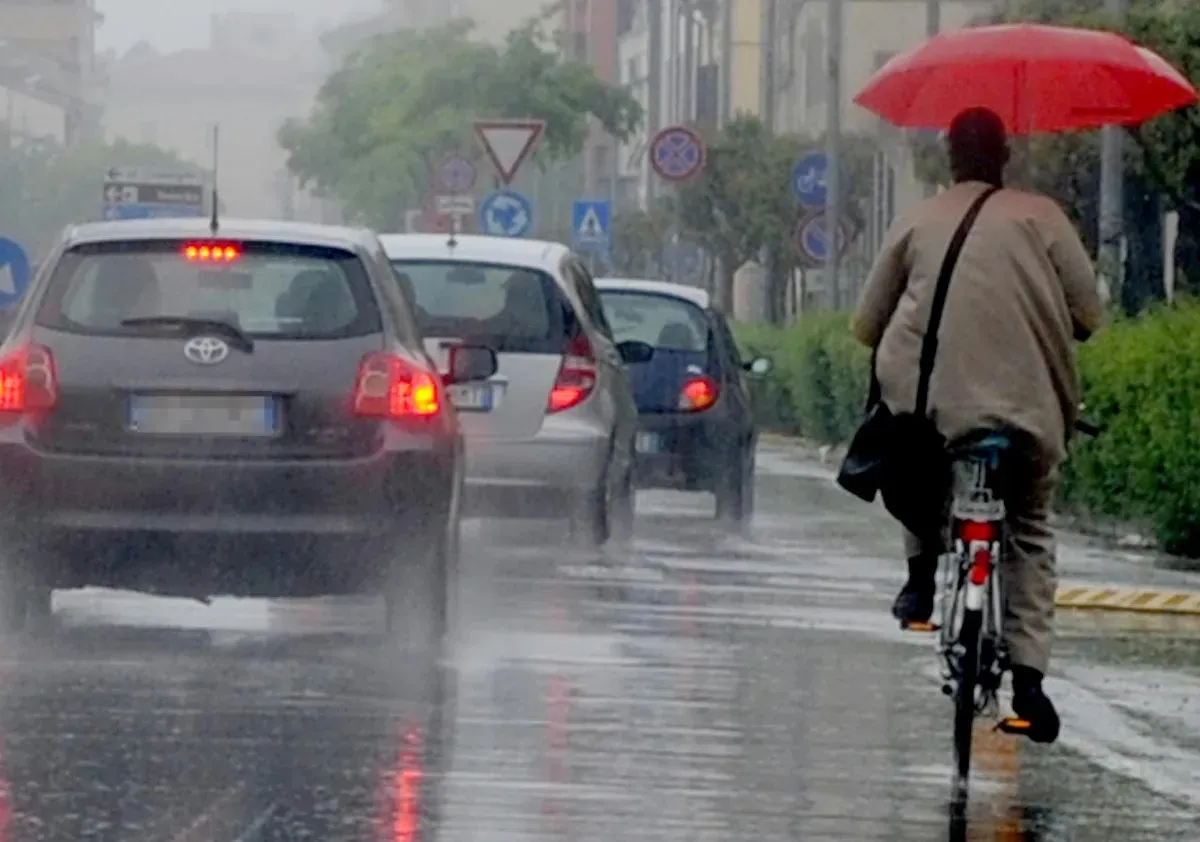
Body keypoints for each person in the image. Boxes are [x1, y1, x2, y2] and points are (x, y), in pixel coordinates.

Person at [850, 107, 1106, 744]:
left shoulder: (917, 220)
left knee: (914, 463)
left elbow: (864, 325)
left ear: (949, 157)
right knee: (1029, 530)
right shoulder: (1042, 217)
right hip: (1027, 413)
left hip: (936, 410)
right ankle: (1030, 681)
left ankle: (918, 582)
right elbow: (1090, 316)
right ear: (1006, 156)